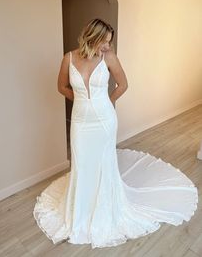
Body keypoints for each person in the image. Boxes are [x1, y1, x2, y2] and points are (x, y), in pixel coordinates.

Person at [33, 18, 198, 249]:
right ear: (92, 37)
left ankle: (104, 208)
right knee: (82, 163)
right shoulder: (68, 58)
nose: (108, 46)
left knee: (103, 163)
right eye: (105, 42)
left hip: (104, 121)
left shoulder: (108, 57)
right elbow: (61, 86)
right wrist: (81, 100)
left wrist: (105, 103)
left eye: (109, 42)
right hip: (80, 121)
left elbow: (123, 84)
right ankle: (81, 210)